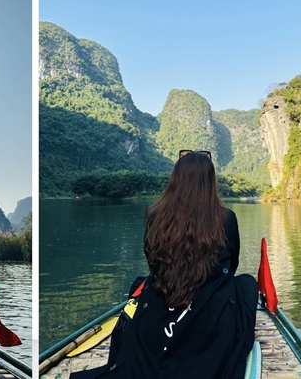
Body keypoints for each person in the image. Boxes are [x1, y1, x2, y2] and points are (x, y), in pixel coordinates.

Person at [72, 150, 257, 379]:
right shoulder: (226, 218)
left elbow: (153, 263)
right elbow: (233, 266)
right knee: (247, 284)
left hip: (163, 300)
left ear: (176, 179)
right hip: (210, 315)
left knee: (142, 283)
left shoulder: (155, 216)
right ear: (210, 182)